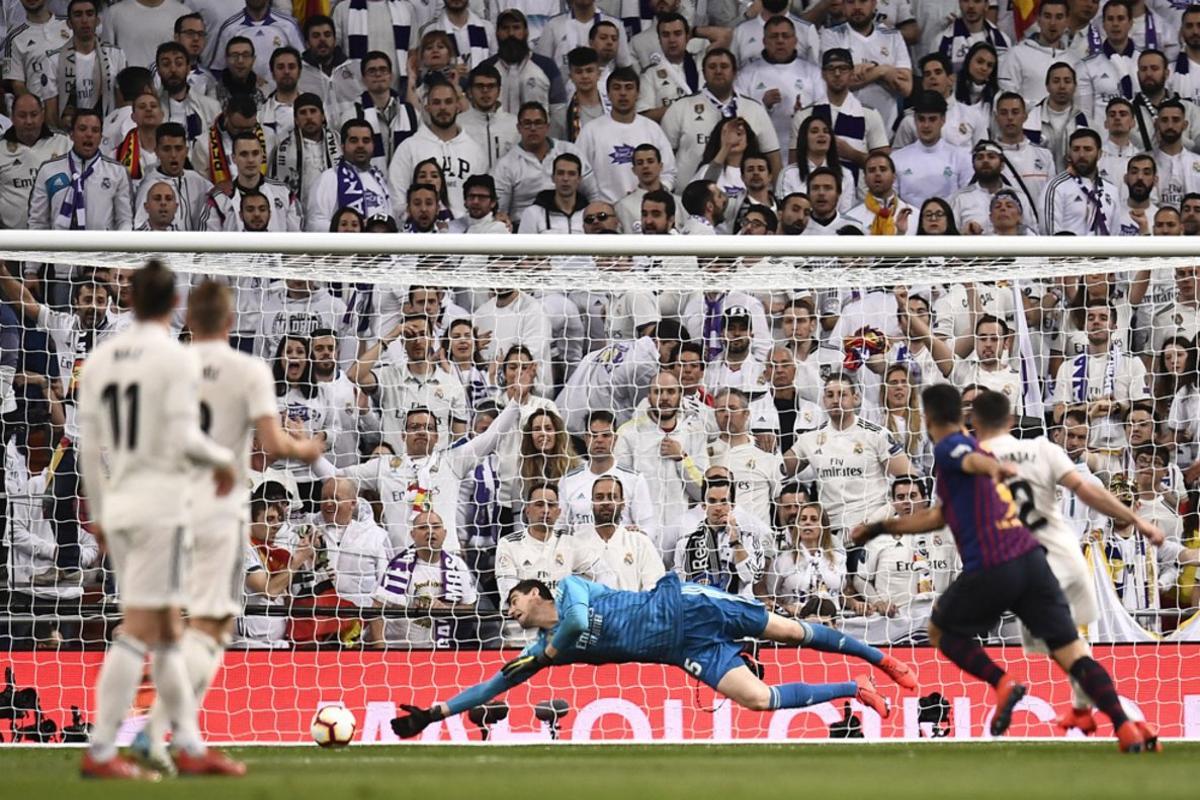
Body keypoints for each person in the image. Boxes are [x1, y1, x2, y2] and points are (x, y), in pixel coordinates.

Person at [850, 384, 1156, 752]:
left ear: (928, 418)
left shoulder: (952, 446)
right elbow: (938, 517)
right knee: (1071, 652)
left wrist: (996, 467)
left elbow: (970, 459)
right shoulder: (976, 455)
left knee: (941, 632)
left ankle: (1002, 682)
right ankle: (1125, 727)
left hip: (993, 563)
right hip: (1033, 561)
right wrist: (879, 527)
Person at [130, 279, 324, 770]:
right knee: (212, 629)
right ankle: (161, 734)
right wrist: (308, 448)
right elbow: (275, 446)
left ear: (188, 318)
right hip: (217, 512)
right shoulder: (245, 370)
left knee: (187, 628)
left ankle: (173, 737)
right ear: (230, 322)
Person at [389, 567, 918, 738]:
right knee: (756, 700)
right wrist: (435, 714)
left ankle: (879, 659)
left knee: (790, 631)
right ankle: (855, 688)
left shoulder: (570, 589)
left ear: (535, 592)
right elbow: (495, 685)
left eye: (514, 600)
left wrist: (550, 649)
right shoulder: (544, 651)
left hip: (690, 608)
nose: (511, 610)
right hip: (681, 651)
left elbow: (574, 621)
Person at [76, 261, 242, 778]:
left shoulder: (100, 360)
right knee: (142, 627)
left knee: (170, 628)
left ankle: (187, 745)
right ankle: (102, 751)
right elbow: (184, 438)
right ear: (175, 306)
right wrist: (223, 461)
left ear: (131, 300)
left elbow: (87, 444)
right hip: (159, 507)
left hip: (120, 503)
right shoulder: (176, 360)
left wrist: (98, 510)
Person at [972, 389, 1166, 734]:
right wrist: (1138, 521)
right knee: (1071, 649)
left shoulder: (990, 460)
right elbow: (1087, 491)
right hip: (1060, 565)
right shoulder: (1045, 456)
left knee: (1063, 648)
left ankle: (1120, 720)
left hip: (1042, 568)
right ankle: (1093, 713)